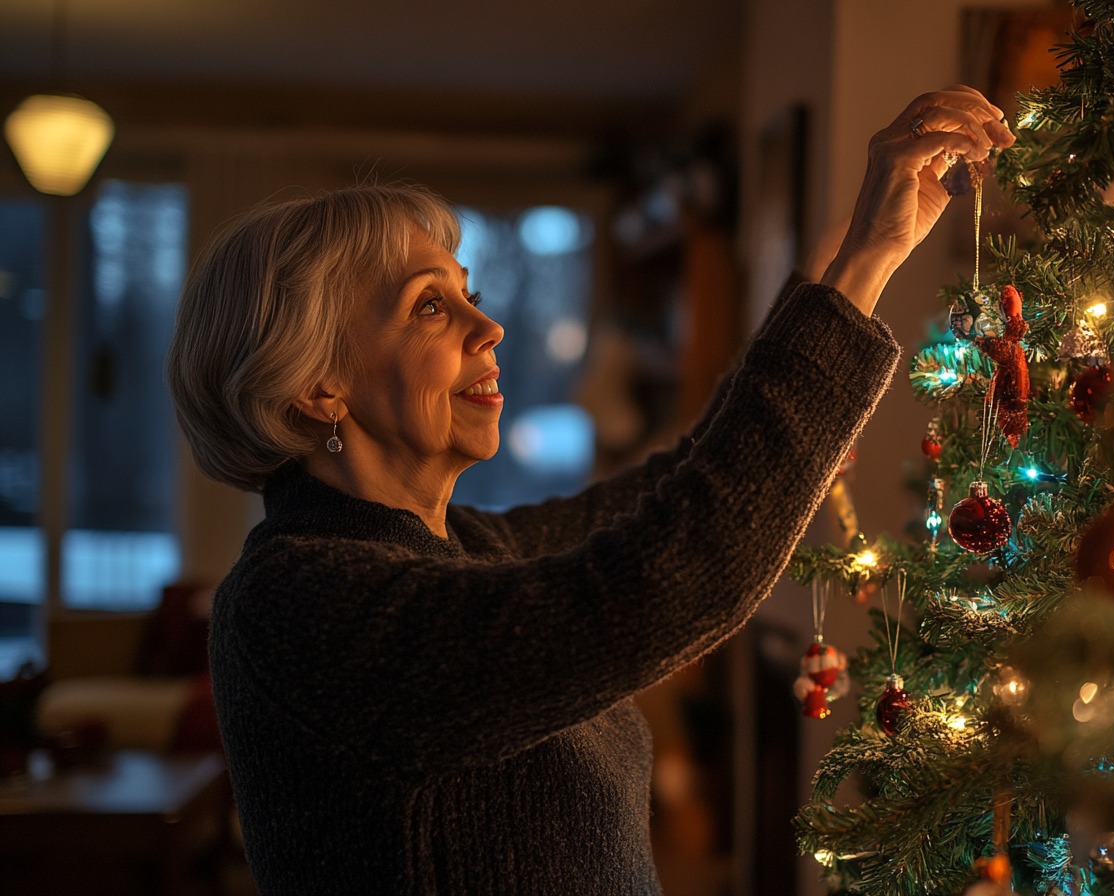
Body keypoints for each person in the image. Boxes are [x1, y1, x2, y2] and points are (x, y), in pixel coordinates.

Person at [166, 86, 1012, 895]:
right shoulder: (293, 603)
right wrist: (858, 268)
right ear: (317, 387)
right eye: (430, 308)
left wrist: (845, 276)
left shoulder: (467, 550)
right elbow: (672, 579)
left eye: (471, 295)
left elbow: (680, 484)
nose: (488, 327)